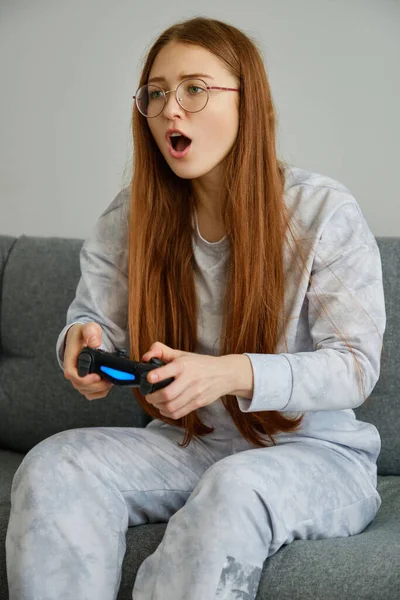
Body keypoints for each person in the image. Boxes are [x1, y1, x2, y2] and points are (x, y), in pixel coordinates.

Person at [6, 16, 386, 600]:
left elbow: (355, 367)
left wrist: (227, 372)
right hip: (188, 447)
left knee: (235, 486)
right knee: (56, 464)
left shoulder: (322, 212)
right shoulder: (130, 217)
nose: (170, 109)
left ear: (247, 102)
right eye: (156, 93)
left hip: (317, 456)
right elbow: (91, 321)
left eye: (194, 88)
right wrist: (80, 340)